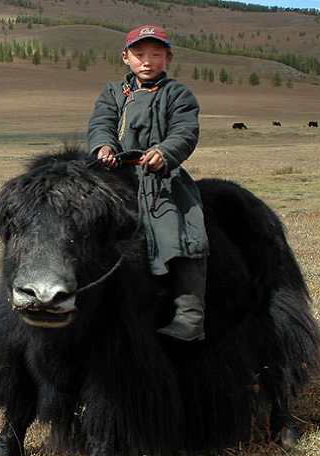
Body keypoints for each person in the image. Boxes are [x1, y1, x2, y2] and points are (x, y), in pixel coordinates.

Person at [87, 25, 209, 341]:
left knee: (184, 236)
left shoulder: (178, 94)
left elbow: (185, 132)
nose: (147, 61)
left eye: (156, 54)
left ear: (168, 58)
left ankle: (189, 318)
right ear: (125, 57)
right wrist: (103, 147)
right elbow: (101, 125)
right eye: (139, 54)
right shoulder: (113, 93)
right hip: (115, 177)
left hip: (161, 179)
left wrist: (164, 153)